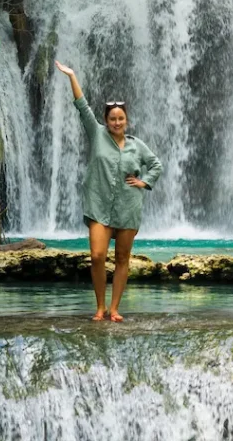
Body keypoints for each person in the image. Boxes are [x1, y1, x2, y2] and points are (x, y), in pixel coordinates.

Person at [55, 60, 162, 322]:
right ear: (106, 120)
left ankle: (114, 309)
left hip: (128, 206)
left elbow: (156, 165)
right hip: (99, 205)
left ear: (127, 120)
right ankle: (100, 307)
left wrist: (144, 182)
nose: (116, 122)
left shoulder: (137, 145)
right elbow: (82, 107)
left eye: (121, 118)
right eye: (112, 118)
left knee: (123, 258)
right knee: (97, 256)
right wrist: (72, 76)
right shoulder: (97, 133)